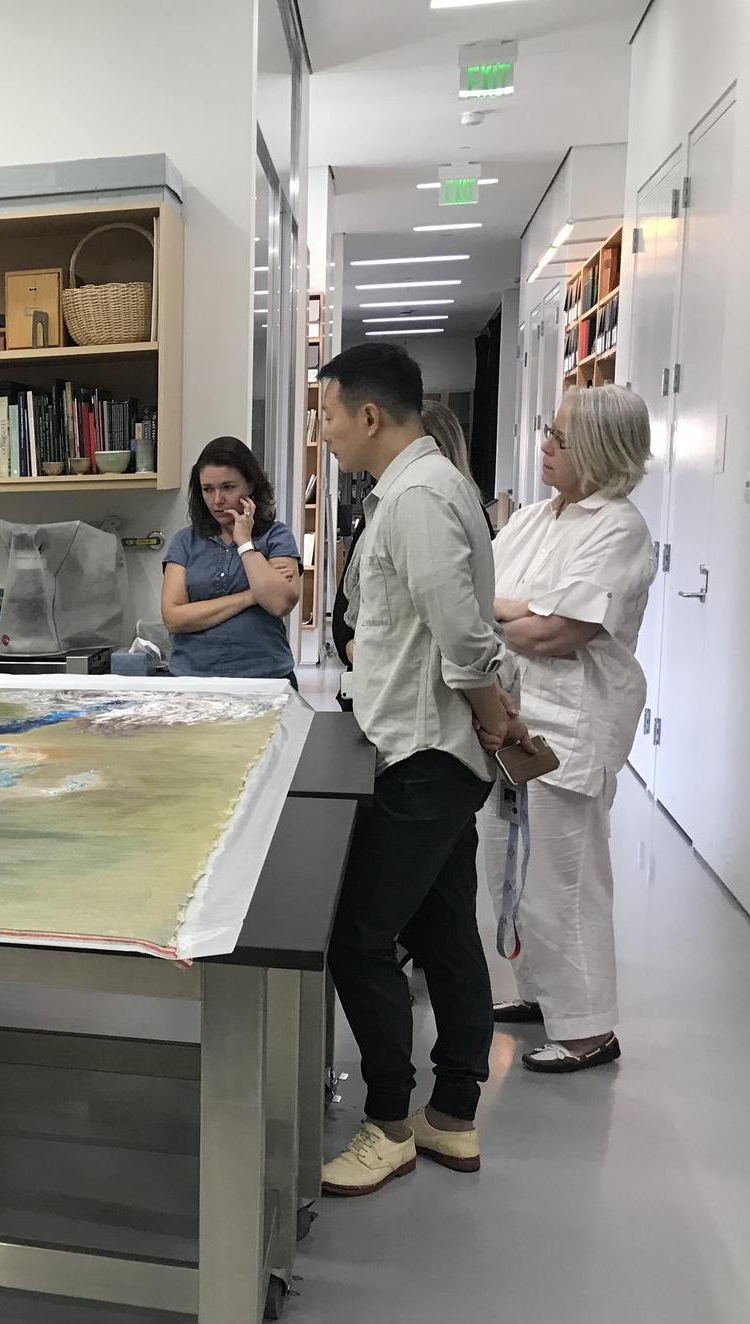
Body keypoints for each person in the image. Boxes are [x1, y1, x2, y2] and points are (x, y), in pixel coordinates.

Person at [312, 343, 527, 1197]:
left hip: (426, 756)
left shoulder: (421, 499)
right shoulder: (419, 490)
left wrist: (495, 716)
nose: (323, 433)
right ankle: (453, 1116)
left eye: (327, 414)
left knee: (358, 938)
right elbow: (409, 620)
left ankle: (389, 1120)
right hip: (427, 746)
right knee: (442, 935)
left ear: (368, 416)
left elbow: (464, 637)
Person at [481, 385, 657, 1073]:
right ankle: (541, 996)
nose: (545, 447)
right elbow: (484, 600)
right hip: (511, 719)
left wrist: (512, 615)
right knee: (509, 867)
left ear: (602, 451)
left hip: (570, 726)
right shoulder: (533, 519)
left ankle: (589, 1030)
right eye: (548, 433)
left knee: (565, 877)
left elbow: (559, 633)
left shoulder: (617, 526)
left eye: (559, 437)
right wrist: (515, 612)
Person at [334, 401, 478, 706]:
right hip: (374, 690)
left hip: (422, 701)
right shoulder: (378, 510)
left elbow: (456, 630)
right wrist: (365, 653)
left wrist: (490, 710)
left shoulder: (427, 501)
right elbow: (343, 623)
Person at [160, 435, 303, 683]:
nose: (217, 500)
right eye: (208, 489)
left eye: (228, 487)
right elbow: (173, 618)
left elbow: (279, 602)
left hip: (266, 677)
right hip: (194, 679)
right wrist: (251, 596)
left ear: (249, 485)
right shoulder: (185, 542)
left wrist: (245, 542)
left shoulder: (276, 536)